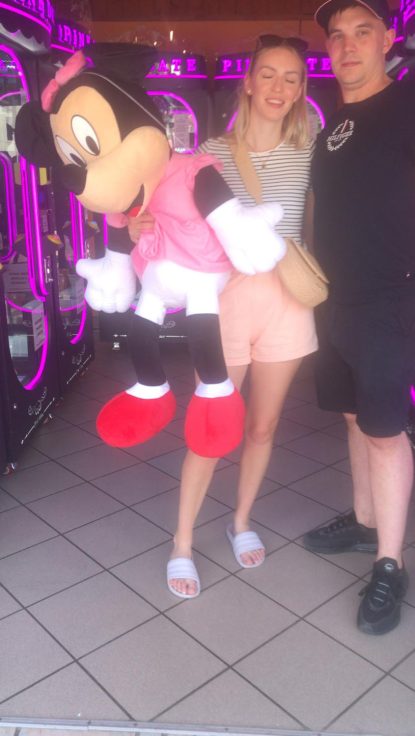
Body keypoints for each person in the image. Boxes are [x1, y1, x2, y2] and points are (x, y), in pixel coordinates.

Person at [128, 35, 317, 598]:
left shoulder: (311, 150)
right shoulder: (208, 151)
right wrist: (137, 225)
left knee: (262, 427)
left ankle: (240, 521)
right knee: (211, 429)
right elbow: (158, 207)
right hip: (223, 302)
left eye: (291, 78)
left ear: (300, 90)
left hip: (287, 301)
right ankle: (182, 542)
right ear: (249, 82)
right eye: (269, 74)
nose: (279, 87)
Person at [303, 0, 414, 635]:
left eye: (362, 32)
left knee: (384, 431)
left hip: (390, 300)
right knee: (352, 416)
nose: (347, 46)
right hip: (333, 300)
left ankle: (390, 565)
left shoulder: (407, 104)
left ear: (387, 39)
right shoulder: (332, 126)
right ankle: (366, 522)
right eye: (337, 36)